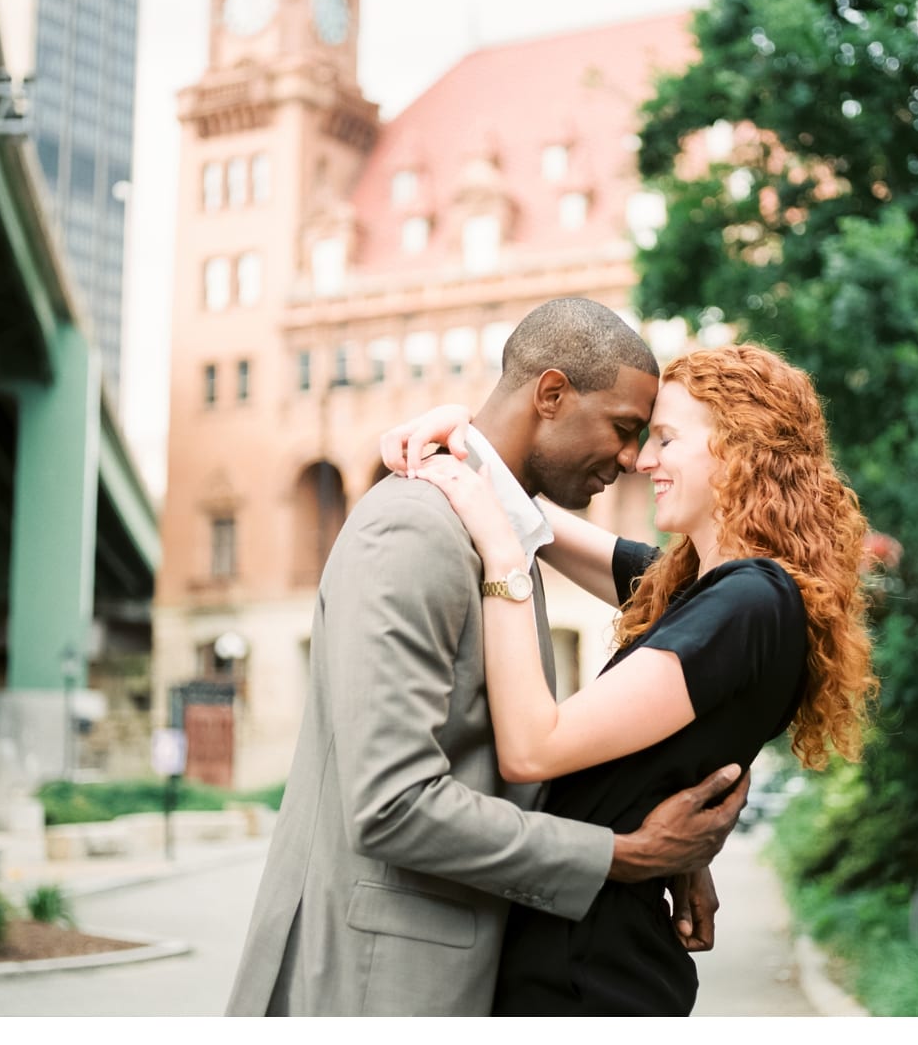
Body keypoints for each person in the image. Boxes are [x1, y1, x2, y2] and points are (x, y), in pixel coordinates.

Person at [225, 298, 749, 1017]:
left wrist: (671, 846)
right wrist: (623, 855)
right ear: (553, 395)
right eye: (625, 430)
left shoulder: (499, 534)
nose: (633, 461)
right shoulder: (414, 529)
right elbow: (391, 805)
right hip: (369, 987)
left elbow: (502, 774)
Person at [386, 342, 878, 1015]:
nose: (643, 461)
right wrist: (461, 434)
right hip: (590, 958)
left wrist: (501, 561)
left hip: (591, 979)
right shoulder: (702, 590)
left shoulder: (749, 601)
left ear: (739, 450)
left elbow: (533, 747)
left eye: (668, 440)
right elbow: (537, 520)